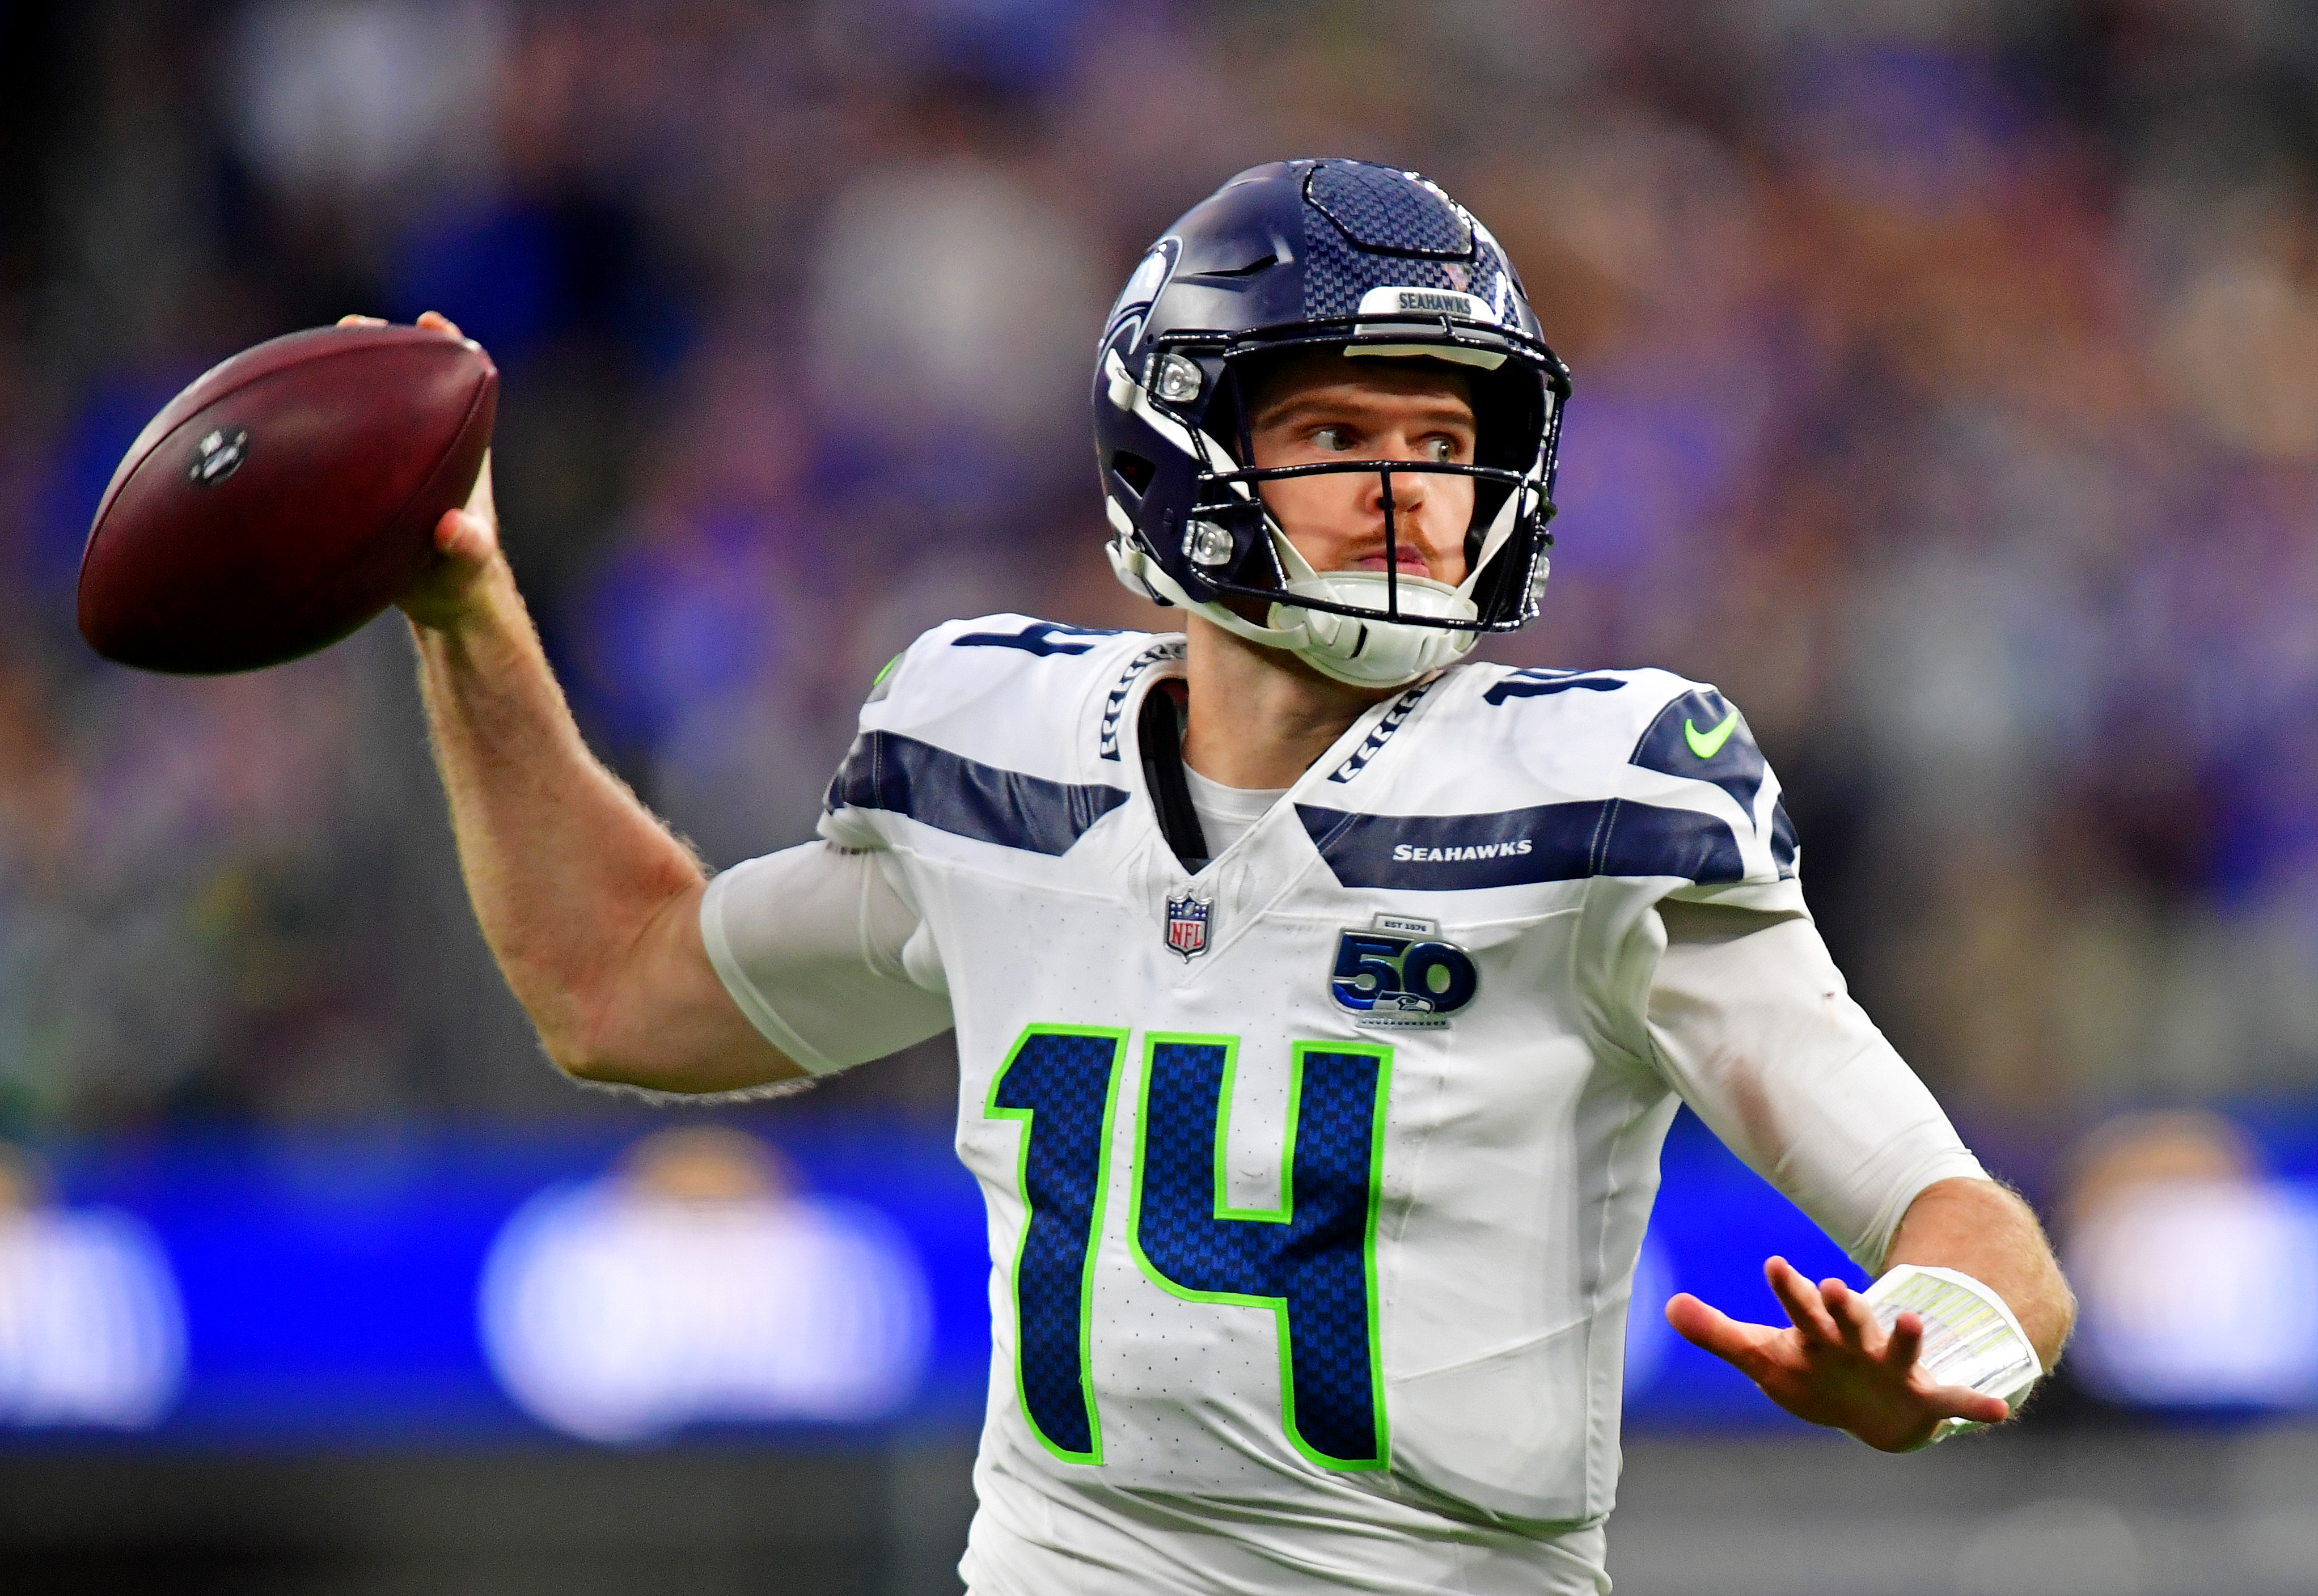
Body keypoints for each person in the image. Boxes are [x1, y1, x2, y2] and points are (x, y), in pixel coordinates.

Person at [379, 159, 2073, 1594]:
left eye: (1446, 434)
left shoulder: (1597, 790)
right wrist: (467, 605)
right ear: (1178, 450)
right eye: (1340, 431)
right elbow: (617, 987)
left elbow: (1985, 1242)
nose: (1410, 494)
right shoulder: (1001, 747)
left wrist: (1923, 1363)